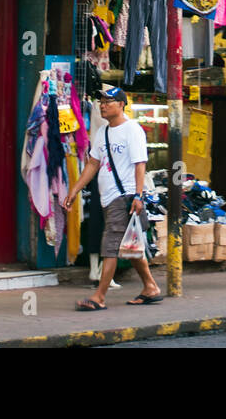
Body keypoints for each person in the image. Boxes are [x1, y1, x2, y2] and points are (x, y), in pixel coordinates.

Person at [62, 86, 162, 310]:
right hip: (107, 198)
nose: (103, 105)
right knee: (130, 246)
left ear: (121, 104)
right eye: (101, 101)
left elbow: (140, 165)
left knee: (110, 246)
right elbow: (93, 164)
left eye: (108, 101)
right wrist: (74, 190)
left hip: (124, 196)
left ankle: (99, 297)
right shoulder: (103, 132)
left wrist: (138, 195)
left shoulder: (132, 130)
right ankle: (151, 287)